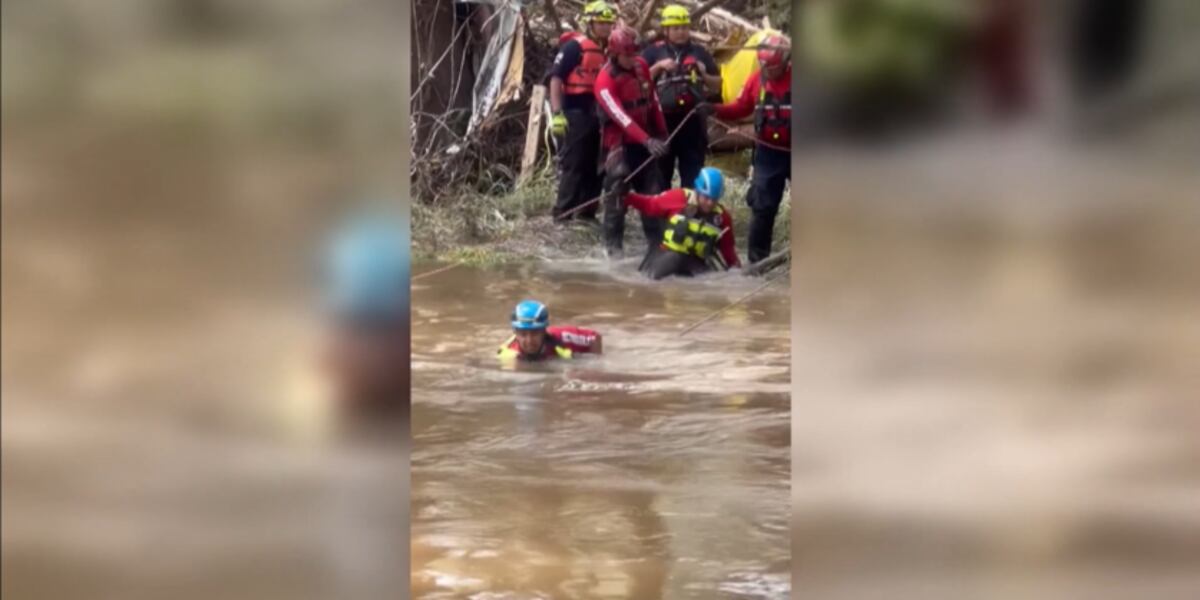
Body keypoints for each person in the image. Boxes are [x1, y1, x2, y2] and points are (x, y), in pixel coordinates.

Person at [713, 34, 792, 264]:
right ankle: (758, 262)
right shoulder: (756, 80)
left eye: (773, 67)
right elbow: (740, 107)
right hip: (768, 153)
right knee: (762, 208)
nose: (768, 71)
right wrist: (714, 109)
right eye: (764, 65)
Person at [594, 24, 669, 259]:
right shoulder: (604, 81)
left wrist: (662, 133)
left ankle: (657, 248)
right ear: (614, 53)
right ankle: (613, 251)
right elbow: (620, 117)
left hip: (644, 143)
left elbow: (653, 101)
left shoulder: (641, 66)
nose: (632, 58)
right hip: (619, 145)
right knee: (617, 198)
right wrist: (647, 140)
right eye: (627, 54)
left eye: (634, 53)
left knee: (652, 194)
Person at [548, 1, 616, 223]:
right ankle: (563, 214)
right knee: (575, 164)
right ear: (590, 23)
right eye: (601, 23)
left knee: (598, 166)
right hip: (576, 112)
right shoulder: (574, 47)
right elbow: (556, 77)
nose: (606, 27)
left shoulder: (612, 50)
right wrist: (557, 113)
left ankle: (587, 214)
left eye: (609, 23)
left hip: (601, 115)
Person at [643, 4, 722, 189]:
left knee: (693, 174)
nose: (681, 32)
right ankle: (662, 213)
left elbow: (717, 85)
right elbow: (640, 81)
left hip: (692, 122)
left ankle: (690, 213)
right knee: (661, 174)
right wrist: (659, 67)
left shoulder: (700, 52)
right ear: (666, 30)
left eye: (685, 28)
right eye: (676, 28)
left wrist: (704, 73)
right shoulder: (652, 52)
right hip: (662, 123)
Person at [622, 166, 740, 279]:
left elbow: (728, 251)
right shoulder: (678, 197)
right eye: (706, 197)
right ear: (697, 191)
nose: (710, 203)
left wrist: (738, 273)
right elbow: (649, 205)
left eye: (714, 199)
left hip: (693, 263)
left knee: (709, 277)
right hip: (665, 256)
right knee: (675, 258)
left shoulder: (723, 218)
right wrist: (627, 197)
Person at [498, 300, 603, 361]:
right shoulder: (508, 354)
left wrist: (595, 363)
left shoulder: (563, 337)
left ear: (544, 331)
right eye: (523, 334)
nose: (529, 341)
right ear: (515, 333)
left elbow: (594, 337)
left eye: (535, 333)